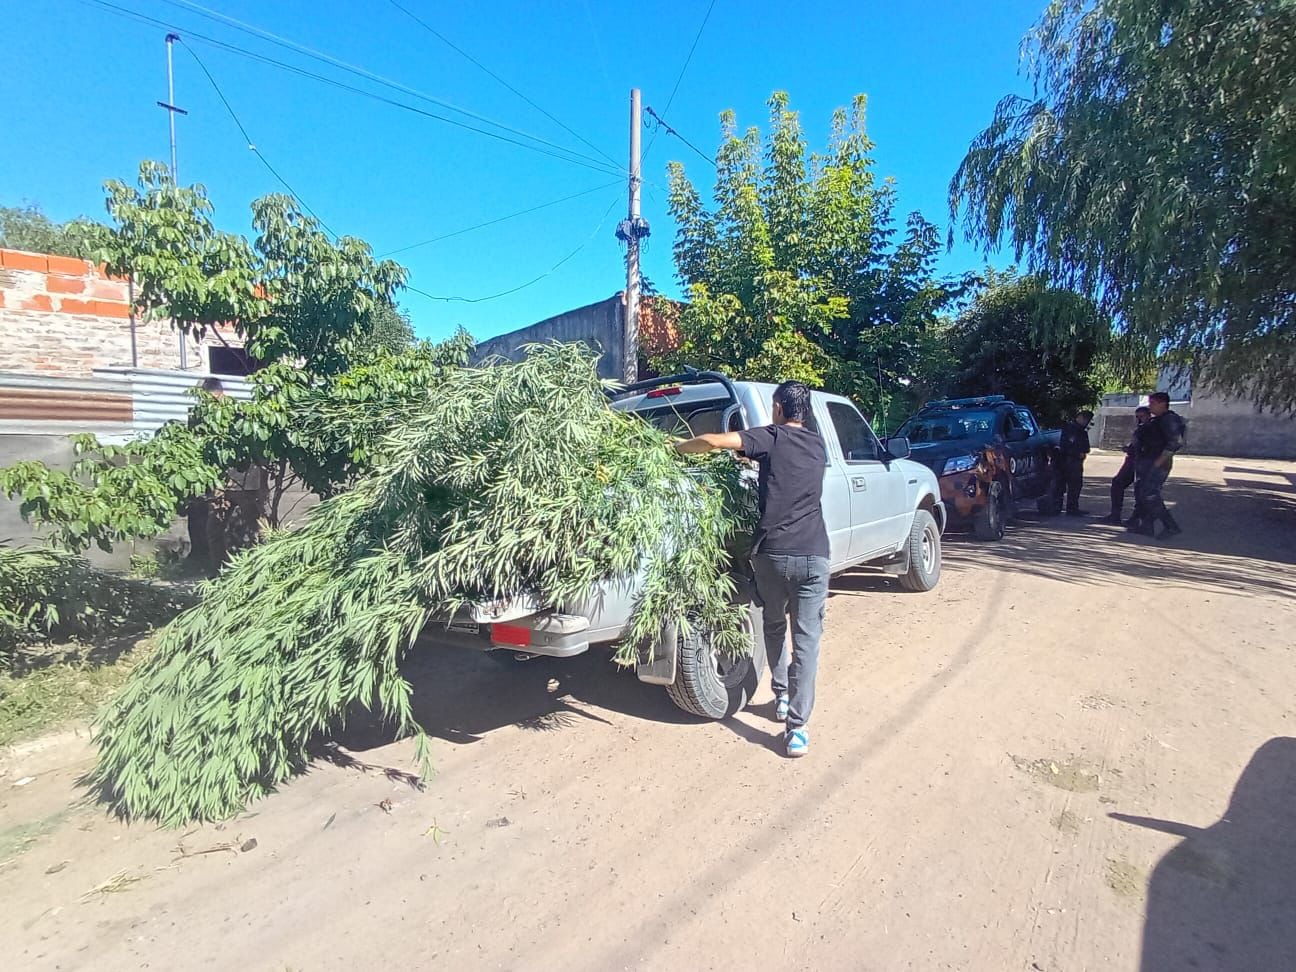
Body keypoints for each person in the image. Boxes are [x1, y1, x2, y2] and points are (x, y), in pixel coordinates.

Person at [674, 381, 828, 758]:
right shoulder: (818, 445)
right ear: (803, 411)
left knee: (774, 625)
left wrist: (677, 448)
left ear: (777, 407)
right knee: (806, 641)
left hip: (773, 555)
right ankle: (797, 729)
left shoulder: (771, 438)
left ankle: (780, 696)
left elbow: (712, 441)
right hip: (814, 554)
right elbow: (787, 473)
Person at [1128, 391, 1186, 539]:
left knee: (1150, 494)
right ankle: (1147, 526)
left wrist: (1158, 463)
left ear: (1162, 403)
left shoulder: (1170, 419)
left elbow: (1175, 442)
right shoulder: (1158, 420)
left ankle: (1170, 526)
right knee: (1143, 492)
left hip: (1158, 463)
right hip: (1147, 461)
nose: (1150, 406)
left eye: (1152, 403)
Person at [184, 378, 226, 570]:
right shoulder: (197, 415)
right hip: (203, 475)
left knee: (220, 521)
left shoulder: (233, 412)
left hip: (228, 477)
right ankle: (204, 560)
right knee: (199, 516)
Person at [1101, 405, 1151, 525]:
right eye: (1137, 417)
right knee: (1118, 483)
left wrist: (1133, 450)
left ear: (1148, 416)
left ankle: (1135, 518)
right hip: (1132, 460)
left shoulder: (1150, 428)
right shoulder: (1141, 428)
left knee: (1140, 491)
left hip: (1141, 462)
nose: (1139, 420)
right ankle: (1116, 515)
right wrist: (1129, 449)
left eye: (1141, 417)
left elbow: (1146, 447)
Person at [1055, 409, 1095, 516]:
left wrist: (1081, 453)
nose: (1086, 423)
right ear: (1080, 417)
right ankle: (1058, 507)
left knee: (1076, 486)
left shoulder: (1081, 431)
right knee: (1064, 486)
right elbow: (1065, 446)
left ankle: (1072, 508)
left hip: (1076, 462)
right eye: (1086, 419)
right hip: (1067, 461)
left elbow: (1086, 448)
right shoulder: (1070, 429)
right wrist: (1077, 454)